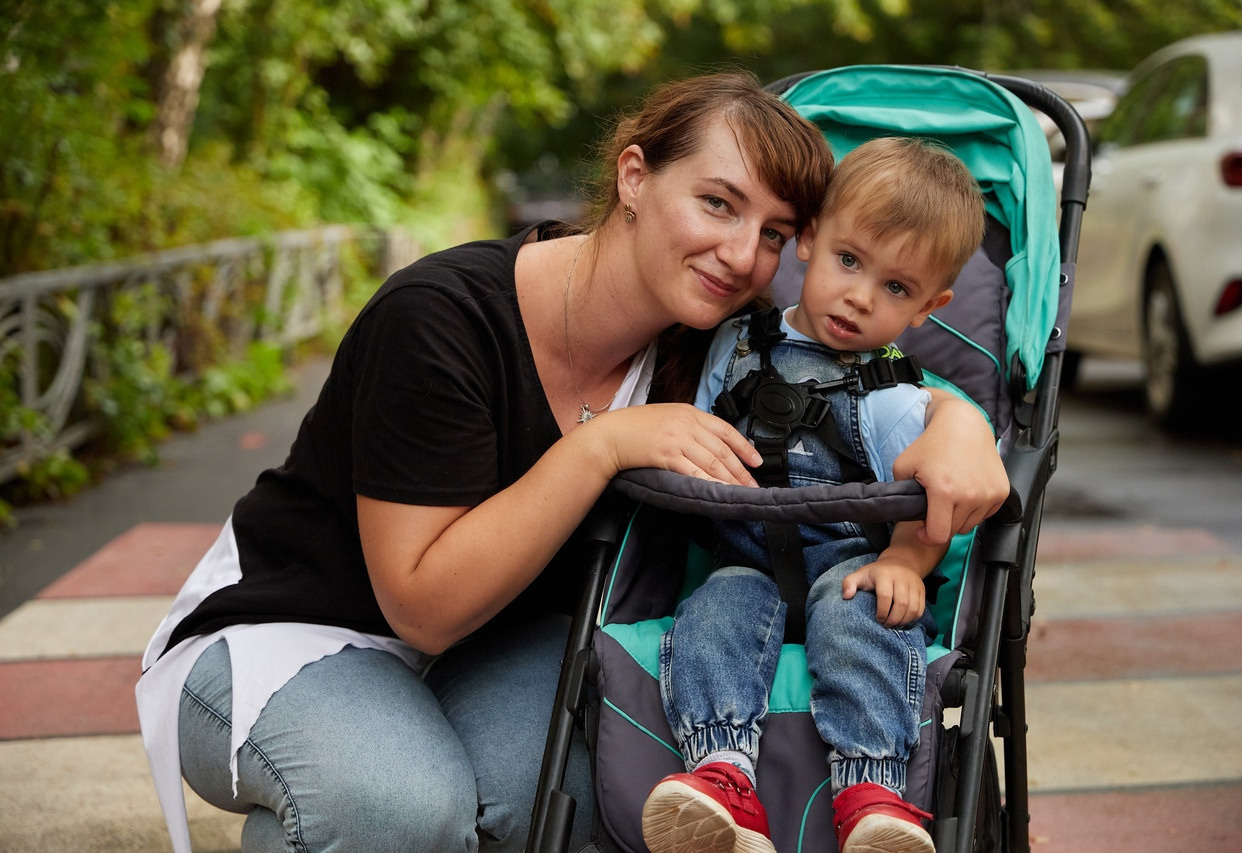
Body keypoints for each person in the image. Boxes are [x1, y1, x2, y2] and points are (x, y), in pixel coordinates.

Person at [135, 70, 1008, 853]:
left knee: (569, 793)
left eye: (774, 233)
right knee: (402, 809)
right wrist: (601, 445)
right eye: (716, 203)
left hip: (500, 643)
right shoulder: (440, 319)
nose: (743, 256)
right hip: (298, 631)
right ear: (634, 176)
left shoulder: (695, 345)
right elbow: (422, 610)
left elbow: (854, 374)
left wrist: (961, 426)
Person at [641, 137, 988, 853]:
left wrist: (903, 562)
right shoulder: (735, 344)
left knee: (864, 609)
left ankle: (872, 792)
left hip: (846, 569)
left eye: (896, 288)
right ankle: (721, 776)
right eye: (849, 260)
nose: (860, 297)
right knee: (717, 606)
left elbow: (933, 497)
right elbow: (694, 429)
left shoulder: (895, 398)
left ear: (931, 305)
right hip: (744, 563)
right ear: (809, 241)